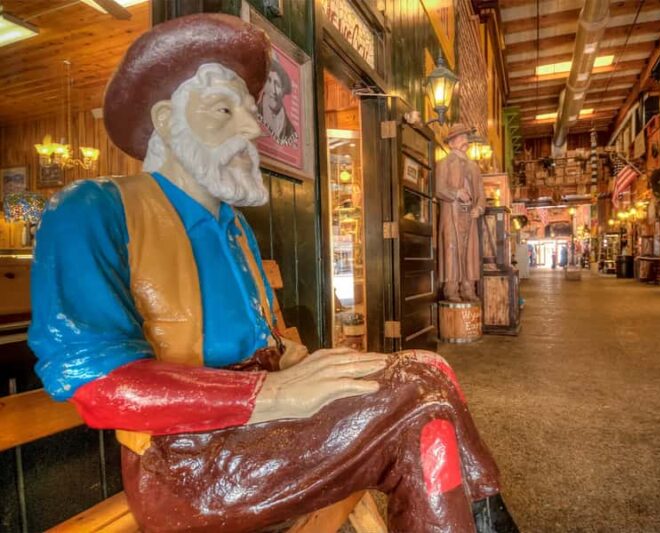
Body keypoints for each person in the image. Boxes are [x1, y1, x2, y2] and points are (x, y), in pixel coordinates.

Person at [28, 15, 517, 533]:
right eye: (224, 109)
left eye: (250, 109)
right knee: (416, 409)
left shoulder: (233, 225)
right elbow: (99, 385)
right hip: (188, 465)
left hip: (263, 426)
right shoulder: (92, 209)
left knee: (427, 369)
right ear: (168, 120)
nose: (253, 127)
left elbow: (267, 341)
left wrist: (309, 365)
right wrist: (277, 394)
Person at [436, 123, 485, 302]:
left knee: (470, 252)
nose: (464, 140)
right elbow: (439, 188)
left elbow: (481, 194)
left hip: (469, 217)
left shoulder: (474, 167)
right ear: (451, 143)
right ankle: (451, 289)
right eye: (460, 137)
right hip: (451, 214)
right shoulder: (443, 164)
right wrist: (456, 193)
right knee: (452, 250)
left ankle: (468, 287)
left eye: (465, 137)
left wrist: (478, 208)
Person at [261, 55, 298, 147]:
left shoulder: (291, 132)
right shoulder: (251, 115)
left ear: (283, 90)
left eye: (277, 84)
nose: (273, 90)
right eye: (268, 81)